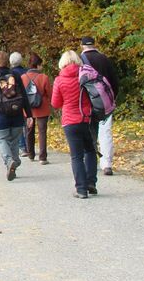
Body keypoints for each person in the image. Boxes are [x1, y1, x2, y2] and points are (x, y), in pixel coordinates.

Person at [52, 50, 97, 198]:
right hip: (86, 118)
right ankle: (90, 182)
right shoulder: (85, 76)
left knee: (76, 156)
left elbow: (56, 103)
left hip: (70, 122)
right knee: (90, 150)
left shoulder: (59, 80)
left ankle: (81, 189)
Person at [0, 52, 34, 181]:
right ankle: (14, 162)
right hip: (17, 113)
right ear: (8, 62)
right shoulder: (16, 75)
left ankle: (9, 160)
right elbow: (23, 95)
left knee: (1, 139)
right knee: (15, 140)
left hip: (1, 114)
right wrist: (29, 115)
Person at [80, 36, 119, 176]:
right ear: (94, 45)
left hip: (87, 103)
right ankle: (106, 164)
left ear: (82, 46)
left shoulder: (80, 61)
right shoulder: (104, 59)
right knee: (105, 131)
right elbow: (115, 82)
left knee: (89, 132)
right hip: (105, 102)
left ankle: (90, 161)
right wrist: (111, 98)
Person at [21, 53, 52, 164]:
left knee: (29, 131)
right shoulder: (44, 77)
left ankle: (31, 154)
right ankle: (42, 157)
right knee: (42, 132)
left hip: (27, 109)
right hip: (42, 108)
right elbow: (49, 93)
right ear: (38, 65)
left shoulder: (23, 77)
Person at [9, 52, 28, 156]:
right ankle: (29, 145)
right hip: (28, 100)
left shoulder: (10, 74)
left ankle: (22, 146)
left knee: (19, 124)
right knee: (28, 124)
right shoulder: (27, 72)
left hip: (15, 101)